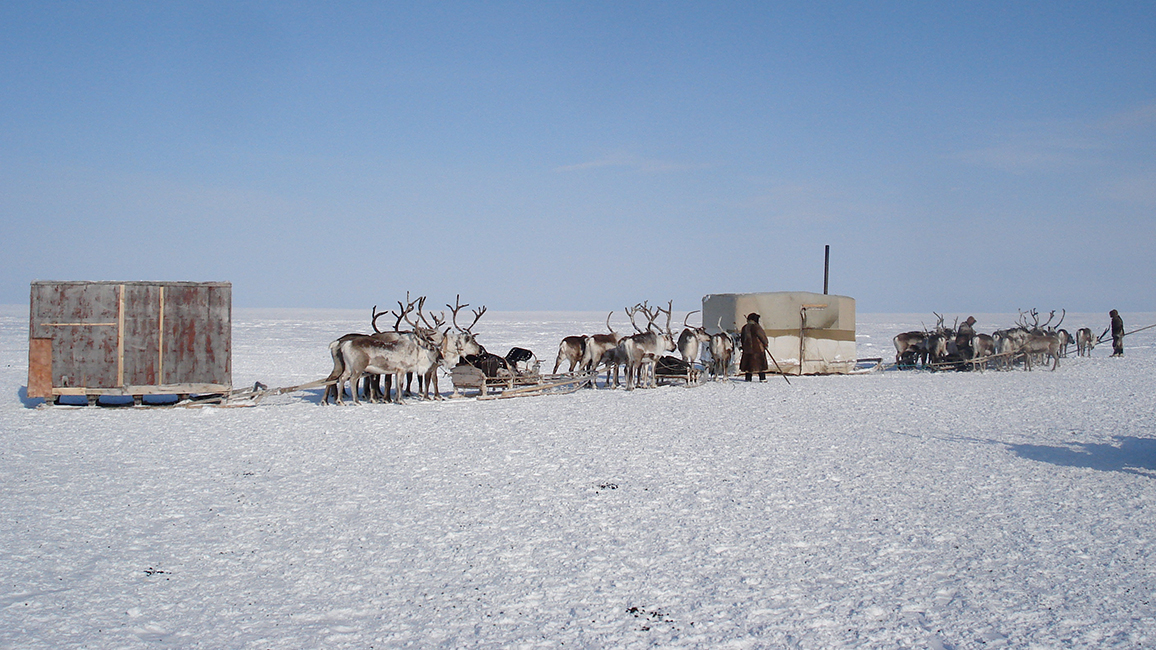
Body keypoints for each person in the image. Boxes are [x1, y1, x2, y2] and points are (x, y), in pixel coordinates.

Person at [739, 312, 769, 382]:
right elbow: (762, 336)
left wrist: (744, 346)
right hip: (757, 349)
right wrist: (765, 343)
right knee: (760, 364)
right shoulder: (757, 327)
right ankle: (762, 378)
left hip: (747, 350)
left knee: (748, 365)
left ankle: (748, 378)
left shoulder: (745, 327)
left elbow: (742, 338)